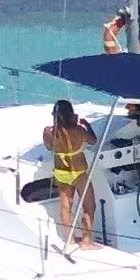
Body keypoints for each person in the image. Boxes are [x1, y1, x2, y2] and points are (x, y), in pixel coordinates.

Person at [42, 99, 99, 249]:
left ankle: (70, 240)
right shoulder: (79, 131)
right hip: (79, 173)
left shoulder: (48, 132)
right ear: (71, 114)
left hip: (61, 173)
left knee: (66, 207)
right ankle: (86, 242)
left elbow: (49, 147)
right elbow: (93, 141)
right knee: (89, 207)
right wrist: (87, 125)